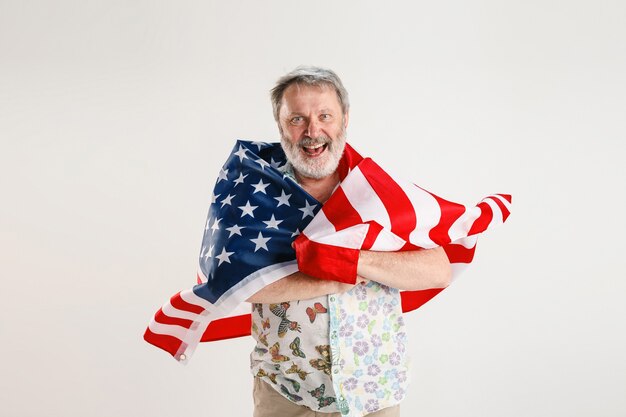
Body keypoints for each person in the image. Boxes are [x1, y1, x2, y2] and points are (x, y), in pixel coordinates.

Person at [247, 66, 452, 417]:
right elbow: (233, 282)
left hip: (373, 392)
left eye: (324, 115)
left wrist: (355, 262)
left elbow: (438, 270)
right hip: (286, 392)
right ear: (281, 126)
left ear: (345, 120)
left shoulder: (380, 193)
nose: (313, 131)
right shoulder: (253, 195)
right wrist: (330, 277)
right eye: (297, 119)